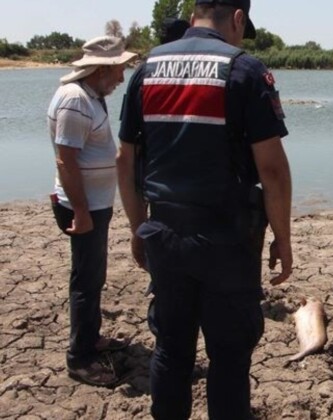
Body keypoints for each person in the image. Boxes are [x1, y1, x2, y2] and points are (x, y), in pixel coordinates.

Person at [117, 0, 293, 418]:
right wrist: (283, 238)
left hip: (164, 231)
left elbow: (126, 160)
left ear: (195, 13)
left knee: (172, 349)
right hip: (228, 241)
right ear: (237, 18)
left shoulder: (146, 69)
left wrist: (135, 226)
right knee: (229, 356)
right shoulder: (246, 70)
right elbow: (272, 169)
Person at [47, 36, 137, 387]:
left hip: (94, 205)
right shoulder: (74, 101)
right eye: (118, 69)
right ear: (101, 69)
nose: (121, 77)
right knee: (85, 281)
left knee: (93, 275)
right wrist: (81, 212)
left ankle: (92, 337)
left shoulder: (91, 97)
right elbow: (65, 160)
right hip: (81, 207)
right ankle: (80, 358)